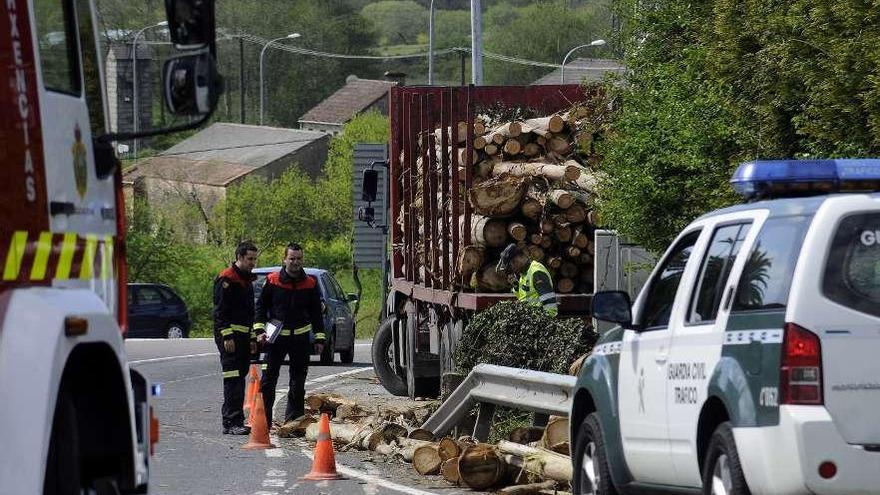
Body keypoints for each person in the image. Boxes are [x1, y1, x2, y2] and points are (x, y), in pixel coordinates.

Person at [253, 243, 325, 427]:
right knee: (268, 380)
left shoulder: (310, 283)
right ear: (284, 259)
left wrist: (319, 338)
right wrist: (259, 331)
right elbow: (260, 307)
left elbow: (317, 313)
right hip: (275, 339)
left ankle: (293, 421)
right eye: (292, 258)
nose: (295, 262)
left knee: (298, 382)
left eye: (299, 258)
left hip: (300, 339)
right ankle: (263, 421)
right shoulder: (272, 280)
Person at [213, 241, 259, 435]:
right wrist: (227, 335)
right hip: (229, 337)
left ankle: (235, 420)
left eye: (255, 259)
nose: (253, 263)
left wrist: (252, 338)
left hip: (242, 336)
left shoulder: (247, 281)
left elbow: (250, 314)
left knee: (240, 377)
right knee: (233, 379)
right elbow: (220, 311)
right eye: (250, 259)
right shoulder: (227, 279)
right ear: (239, 257)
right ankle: (232, 422)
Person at [496, 243, 559, 316]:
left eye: (511, 266)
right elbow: (525, 298)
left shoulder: (536, 272)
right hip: (530, 319)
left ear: (516, 260)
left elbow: (549, 302)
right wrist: (516, 286)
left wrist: (546, 321)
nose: (512, 269)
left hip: (538, 320)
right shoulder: (524, 273)